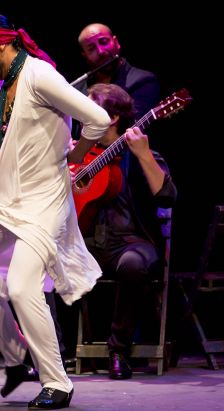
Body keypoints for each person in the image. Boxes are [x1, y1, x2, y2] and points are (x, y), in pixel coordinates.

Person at [0, 12, 111, 409]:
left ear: (2, 45)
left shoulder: (40, 76)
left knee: (22, 287)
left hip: (44, 202)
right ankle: (16, 356)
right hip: (5, 199)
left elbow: (99, 119)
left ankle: (58, 383)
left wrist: (72, 154)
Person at [81, 83, 177, 379]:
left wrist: (144, 155)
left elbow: (167, 197)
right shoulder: (80, 153)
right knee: (38, 257)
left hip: (132, 242)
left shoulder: (139, 153)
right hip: (89, 243)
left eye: (88, 107)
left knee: (133, 265)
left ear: (111, 118)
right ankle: (49, 352)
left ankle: (118, 350)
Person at [75, 23, 160, 119]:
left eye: (104, 42)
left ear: (116, 42)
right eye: (91, 49)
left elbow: (135, 125)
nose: (101, 51)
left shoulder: (143, 81)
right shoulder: (78, 90)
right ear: (85, 56)